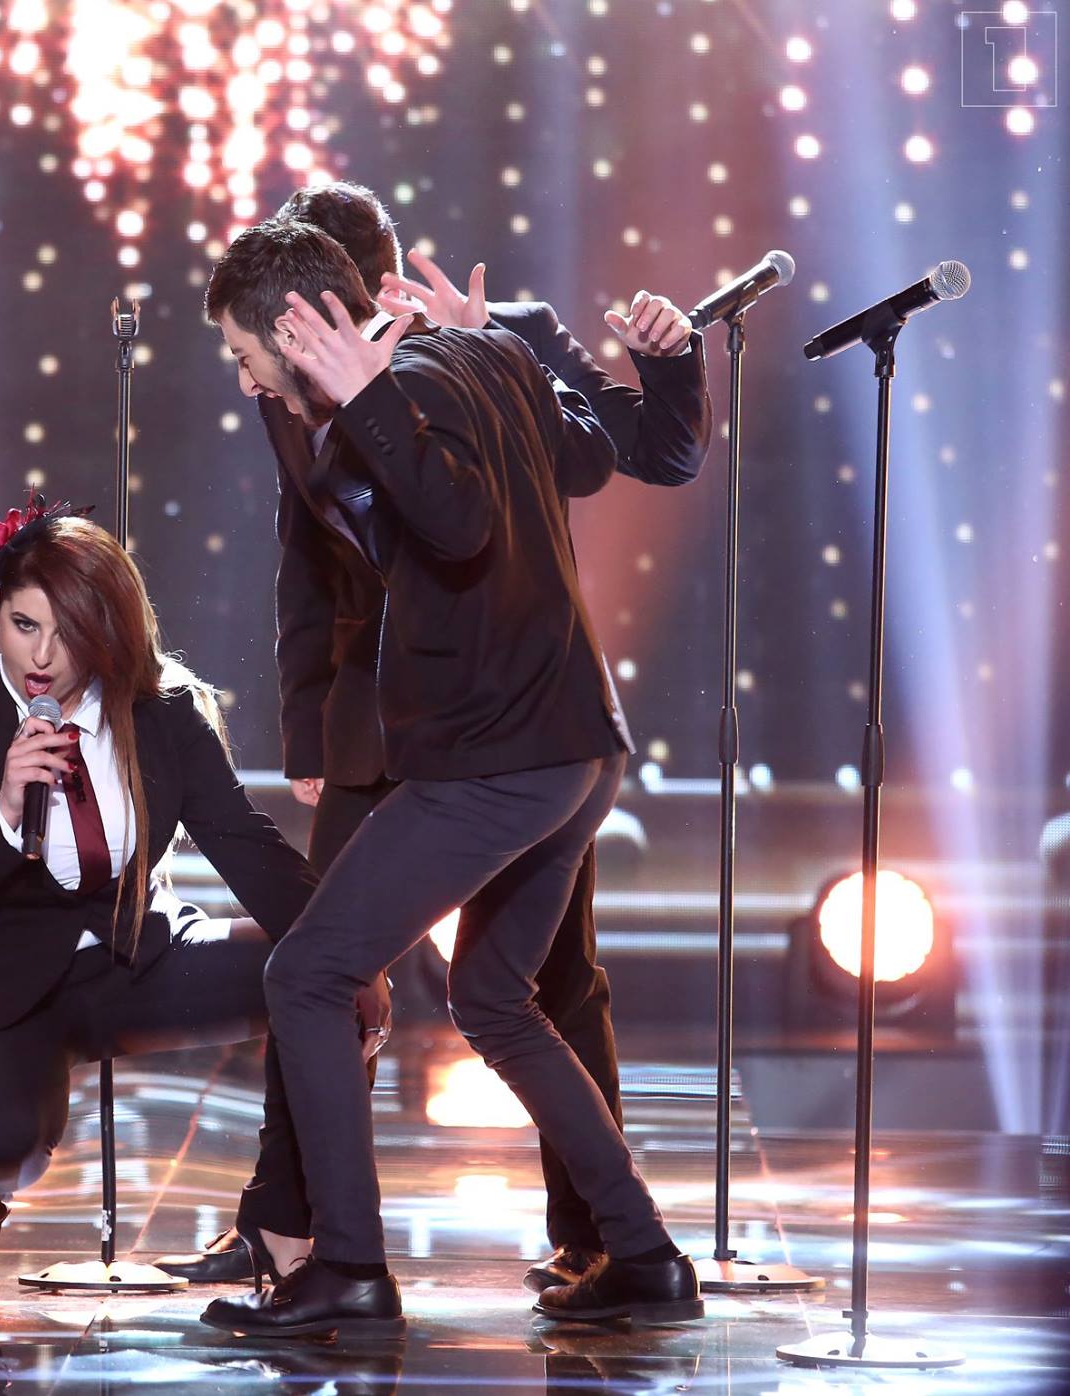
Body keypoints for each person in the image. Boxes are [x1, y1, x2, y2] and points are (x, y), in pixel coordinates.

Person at [199, 220, 702, 1336]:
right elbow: (579, 459)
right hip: (574, 747)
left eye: (245, 352)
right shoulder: (477, 349)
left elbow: (459, 522)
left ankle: (348, 1267)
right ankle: (643, 1255)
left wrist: (370, 401)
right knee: (491, 998)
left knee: (308, 976)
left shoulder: (388, 395)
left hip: (497, 757)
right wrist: (489, 352)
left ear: (298, 329)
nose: (245, 380)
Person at [0, 508, 340, 1305]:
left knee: (323, 983)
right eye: (24, 626)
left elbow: (245, 842)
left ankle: (280, 1218)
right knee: (8, 1145)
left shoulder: (162, 712)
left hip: (134, 955)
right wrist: (5, 809)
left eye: (68, 632)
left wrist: (347, 947)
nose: (42, 656)